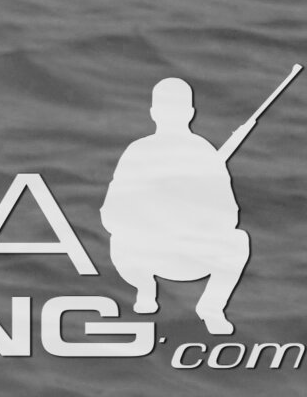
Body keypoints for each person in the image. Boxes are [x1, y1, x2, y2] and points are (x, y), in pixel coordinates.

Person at [104, 76, 255, 337]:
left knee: (118, 238)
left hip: (165, 256)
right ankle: (153, 291)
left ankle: (195, 303)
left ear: (153, 113)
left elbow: (110, 213)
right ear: (190, 113)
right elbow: (229, 217)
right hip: (171, 256)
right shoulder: (195, 152)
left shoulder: (143, 151)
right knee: (238, 241)